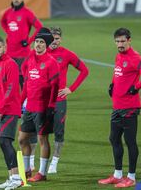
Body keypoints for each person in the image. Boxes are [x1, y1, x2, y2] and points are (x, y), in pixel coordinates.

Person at [98, 28, 141, 188]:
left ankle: (131, 177)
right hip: (117, 106)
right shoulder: (119, 56)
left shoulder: (134, 57)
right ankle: (117, 175)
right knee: (114, 138)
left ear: (129, 40)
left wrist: (136, 87)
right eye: (117, 41)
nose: (120, 44)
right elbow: (117, 72)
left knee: (130, 142)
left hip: (130, 107)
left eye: (123, 41)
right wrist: (112, 84)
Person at [18, 28, 59, 182]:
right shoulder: (29, 60)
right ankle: (27, 170)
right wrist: (20, 103)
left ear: (47, 45)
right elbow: (27, 84)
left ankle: (42, 173)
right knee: (22, 139)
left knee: (43, 140)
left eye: (42, 42)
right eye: (36, 41)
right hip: (29, 107)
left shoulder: (51, 62)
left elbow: (55, 87)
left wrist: (51, 107)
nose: (38, 45)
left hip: (43, 108)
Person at [46, 26, 89, 174]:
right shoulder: (39, 53)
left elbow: (84, 70)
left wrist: (71, 89)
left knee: (58, 131)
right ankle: (34, 162)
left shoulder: (66, 54)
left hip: (59, 100)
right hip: (41, 100)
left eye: (57, 39)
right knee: (38, 132)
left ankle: (54, 162)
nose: (54, 41)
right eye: (52, 38)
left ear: (61, 39)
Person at [0, 36, 22, 190]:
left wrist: (0, 110)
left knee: (5, 141)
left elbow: (10, 89)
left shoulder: (11, 64)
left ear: (4, 47)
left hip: (10, 110)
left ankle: (16, 178)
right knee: (3, 144)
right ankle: (11, 177)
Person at [0, 0, 43, 88]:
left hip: (22, 53)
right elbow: (2, 22)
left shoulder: (27, 13)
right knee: (8, 77)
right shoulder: (8, 12)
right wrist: (9, 32)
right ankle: (11, 100)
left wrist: (29, 41)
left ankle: (25, 101)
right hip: (9, 52)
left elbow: (39, 27)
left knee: (22, 78)